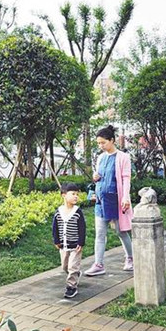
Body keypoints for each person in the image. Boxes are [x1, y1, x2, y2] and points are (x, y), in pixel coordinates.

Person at [85, 125, 133, 276]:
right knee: (100, 233)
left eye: (103, 142)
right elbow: (99, 176)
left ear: (112, 140)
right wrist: (95, 177)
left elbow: (126, 179)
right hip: (101, 201)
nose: (100, 146)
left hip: (116, 200)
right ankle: (98, 264)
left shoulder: (123, 157)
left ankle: (131, 258)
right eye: (98, 143)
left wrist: (125, 197)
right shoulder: (101, 158)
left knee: (121, 232)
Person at [52, 183, 86, 298]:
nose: (76, 196)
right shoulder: (59, 212)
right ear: (64, 195)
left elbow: (82, 228)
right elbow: (55, 227)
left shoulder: (77, 212)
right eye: (73, 194)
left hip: (75, 246)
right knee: (65, 267)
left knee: (72, 266)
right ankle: (76, 274)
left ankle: (71, 287)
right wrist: (56, 241)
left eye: (77, 194)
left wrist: (81, 242)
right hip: (63, 246)